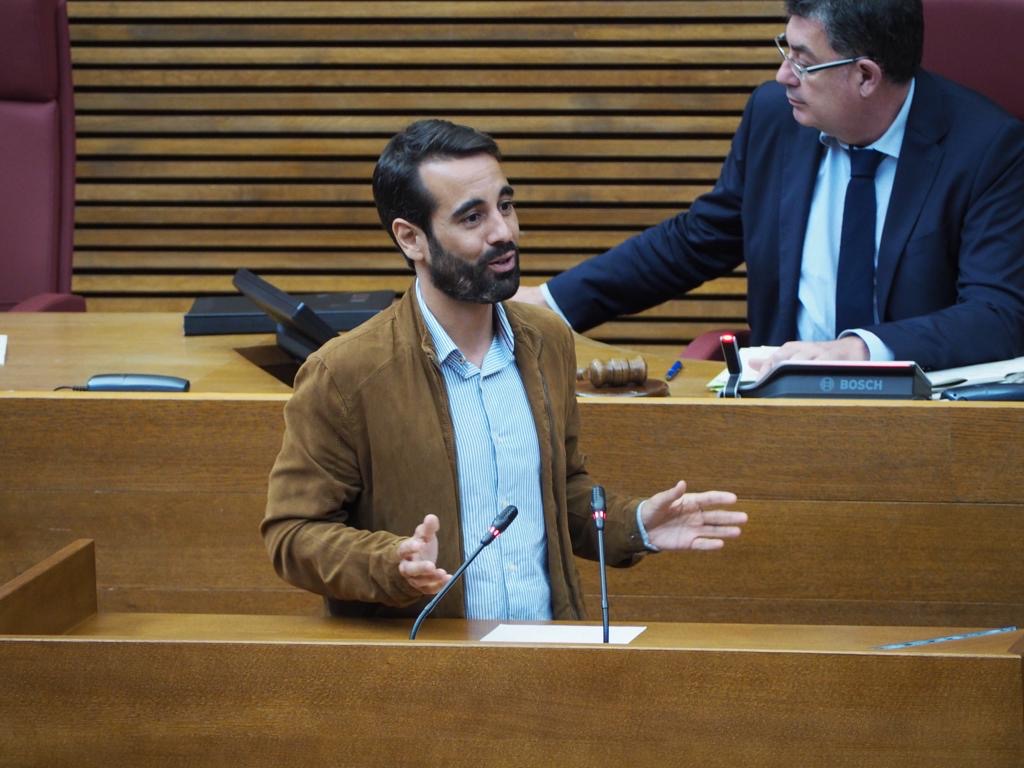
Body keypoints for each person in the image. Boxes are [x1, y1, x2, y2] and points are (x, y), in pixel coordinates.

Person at [261, 119, 747, 621]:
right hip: (427, 668)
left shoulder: (548, 342)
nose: (504, 232)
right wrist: (389, 563)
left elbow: (559, 492)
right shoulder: (344, 373)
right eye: (473, 218)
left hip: (547, 655)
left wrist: (635, 523)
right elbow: (293, 533)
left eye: (506, 205)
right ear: (411, 239)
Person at [514, 0, 1024, 373]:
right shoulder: (776, 119)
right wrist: (555, 303)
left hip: (923, 416)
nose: (783, 75)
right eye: (785, 50)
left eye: (802, 61)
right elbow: (698, 241)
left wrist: (858, 349)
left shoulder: (988, 149)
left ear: (865, 76)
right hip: (781, 407)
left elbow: (998, 314)